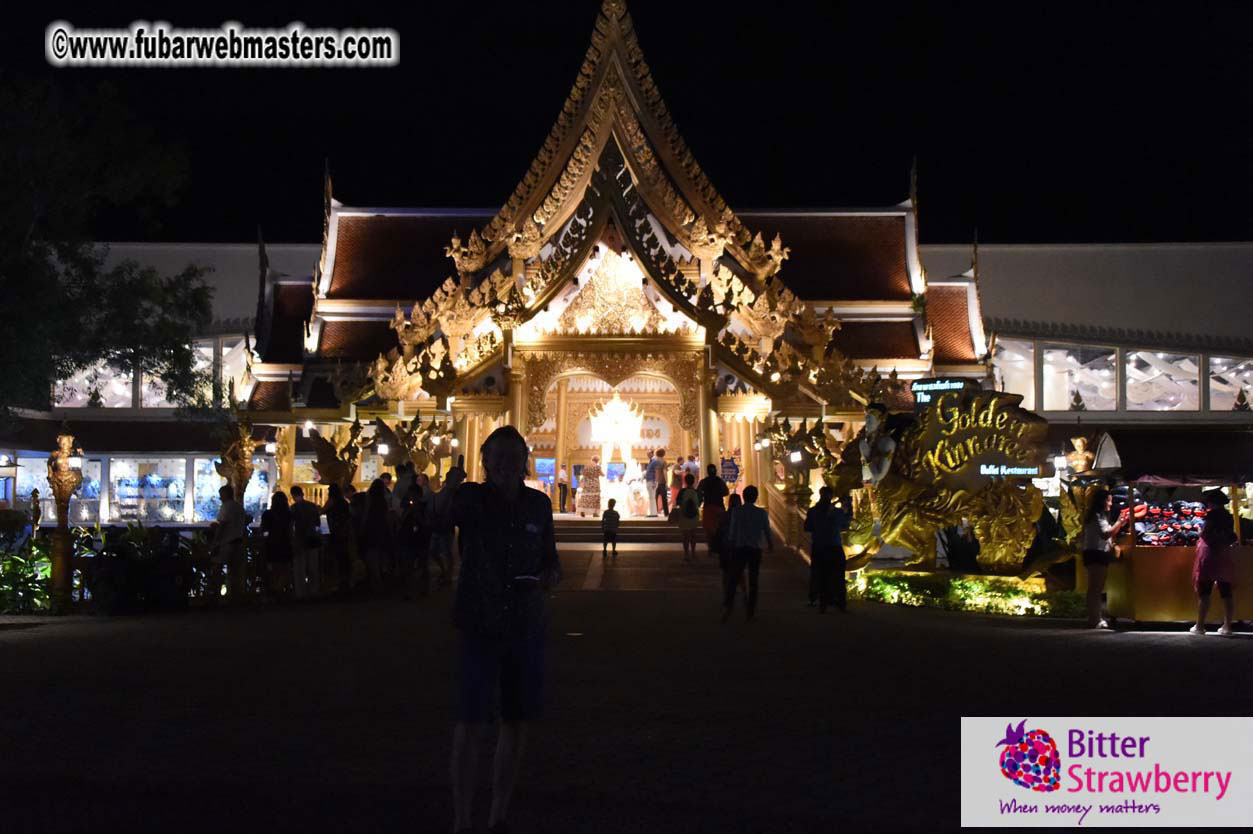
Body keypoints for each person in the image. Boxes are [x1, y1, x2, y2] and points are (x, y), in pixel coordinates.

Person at [450, 425, 562, 834]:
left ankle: (499, 814)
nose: (505, 465)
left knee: (516, 721)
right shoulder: (471, 499)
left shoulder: (538, 505)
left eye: (513, 458)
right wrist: (448, 487)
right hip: (479, 622)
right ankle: (462, 818)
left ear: (524, 463)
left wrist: (549, 574)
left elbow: (550, 556)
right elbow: (437, 520)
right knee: (471, 721)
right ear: (485, 462)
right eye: (497, 458)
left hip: (524, 623)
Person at [1081, 488, 1130, 629]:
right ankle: (1095, 619)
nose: (1110, 504)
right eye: (1108, 501)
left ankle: (1096, 618)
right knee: (1095, 588)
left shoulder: (1097, 515)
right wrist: (1119, 522)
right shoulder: (1097, 516)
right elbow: (1105, 534)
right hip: (1096, 553)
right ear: (1101, 501)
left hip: (1094, 553)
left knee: (1096, 588)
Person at [722, 485, 773, 622]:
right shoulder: (761, 513)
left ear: (743, 497)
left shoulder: (737, 512)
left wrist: (731, 545)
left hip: (740, 547)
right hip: (755, 549)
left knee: (734, 577)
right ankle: (751, 609)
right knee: (753, 580)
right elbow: (767, 530)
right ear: (756, 497)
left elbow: (732, 532)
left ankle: (729, 605)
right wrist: (770, 544)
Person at [1192, 490, 1237, 636]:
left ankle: (1200, 626)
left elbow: (1206, 534)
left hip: (1209, 554)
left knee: (1205, 591)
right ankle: (1227, 626)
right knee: (1226, 591)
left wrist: (1200, 532)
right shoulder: (1228, 517)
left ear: (1211, 502)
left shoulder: (1210, 516)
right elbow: (1232, 536)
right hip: (1223, 554)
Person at [804, 487, 851, 613]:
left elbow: (807, 527)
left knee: (820, 575)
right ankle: (841, 603)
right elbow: (846, 525)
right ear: (831, 497)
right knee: (839, 576)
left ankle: (822, 604)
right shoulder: (837, 512)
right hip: (834, 547)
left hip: (819, 546)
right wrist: (848, 509)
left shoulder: (813, 511)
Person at [431, 459, 467, 587]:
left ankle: (448, 574)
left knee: (447, 552)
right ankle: (445, 572)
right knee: (434, 551)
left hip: (446, 525)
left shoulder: (455, 492)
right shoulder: (446, 490)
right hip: (439, 524)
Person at [208, 484, 248, 601]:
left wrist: (215, 542)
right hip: (238, 543)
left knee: (218, 569)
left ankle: (216, 595)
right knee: (236, 573)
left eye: (221, 495)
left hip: (226, 544)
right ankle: (235, 596)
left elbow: (223, 526)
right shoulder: (239, 507)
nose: (220, 498)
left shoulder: (226, 507)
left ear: (225, 495)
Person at [360, 479, 395, 593]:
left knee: (372, 557)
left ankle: (376, 582)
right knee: (381, 556)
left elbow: (365, 514)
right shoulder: (383, 501)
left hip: (371, 529)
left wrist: (363, 527)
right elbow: (387, 516)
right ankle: (381, 581)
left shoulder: (369, 499)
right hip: (382, 529)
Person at [289, 486, 323, 600]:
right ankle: (314, 591)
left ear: (293, 495)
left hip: (299, 540)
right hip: (312, 539)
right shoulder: (312, 506)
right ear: (302, 494)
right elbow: (318, 524)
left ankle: (301, 593)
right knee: (313, 567)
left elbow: (291, 525)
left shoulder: (293, 508)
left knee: (300, 569)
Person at [260, 491, 294, 598]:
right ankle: (281, 589)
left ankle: (274, 589)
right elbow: (290, 530)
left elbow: (264, 529)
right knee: (285, 568)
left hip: (272, 543)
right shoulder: (288, 514)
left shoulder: (268, 514)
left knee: (273, 569)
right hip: (285, 542)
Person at [323, 483, 354, 598]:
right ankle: (345, 584)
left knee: (336, 558)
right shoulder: (344, 502)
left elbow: (322, 511)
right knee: (344, 558)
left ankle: (337, 584)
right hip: (344, 533)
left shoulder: (332, 501)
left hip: (335, 532)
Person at [697, 464, 730, 558]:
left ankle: (711, 548)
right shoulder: (719, 481)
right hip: (719, 506)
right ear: (715, 470)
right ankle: (718, 547)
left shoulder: (704, 482)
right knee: (719, 528)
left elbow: (698, 492)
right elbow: (726, 492)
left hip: (708, 507)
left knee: (709, 530)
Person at [674, 473, 701, 561]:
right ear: (694, 482)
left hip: (684, 514)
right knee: (693, 534)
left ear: (685, 482)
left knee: (685, 535)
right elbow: (700, 503)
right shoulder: (696, 492)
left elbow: (678, 502)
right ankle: (693, 552)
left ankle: (686, 554)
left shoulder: (682, 491)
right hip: (694, 515)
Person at [644, 449, 667, 518]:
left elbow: (657, 472)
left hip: (652, 481)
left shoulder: (655, 461)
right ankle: (652, 512)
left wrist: (656, 482)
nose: (647, 454)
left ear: (652, 453)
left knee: (652, 498)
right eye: (647, 453)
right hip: (649, 481)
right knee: (651, 497)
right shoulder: (651, 461)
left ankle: (653, 513)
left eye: (649, 453)